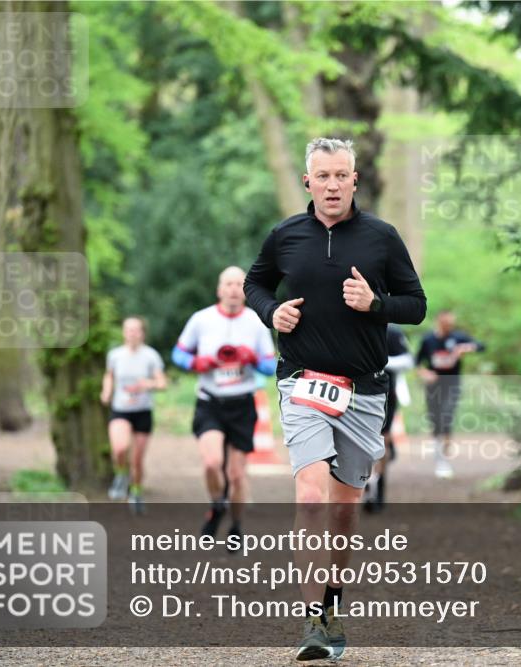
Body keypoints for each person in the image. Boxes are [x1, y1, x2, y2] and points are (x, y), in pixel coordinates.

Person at [244, 137, 426, 661]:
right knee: (310, 496)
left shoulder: (382, 238)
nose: (331, 185)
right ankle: (311, 623)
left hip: (364, 389)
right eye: (322, 176)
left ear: (354, 181)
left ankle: (332, 601)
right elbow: (257, 284)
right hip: (302, 382)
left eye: (340, 175)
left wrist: (376, 304)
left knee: (345, 509)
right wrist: (270, 312)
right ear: (308, 181)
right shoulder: (285, 236)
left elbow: (415, 305)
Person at [171, 266, 277, 546]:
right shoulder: (201, 319)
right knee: (211, 463)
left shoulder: (256, 323)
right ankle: (217, 504)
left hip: (242, 405)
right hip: (210, 403)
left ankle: (236, 525)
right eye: (227, 284)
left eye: (238, 284)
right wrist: (196, 363)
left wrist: (252, 358)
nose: (232, 289)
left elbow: (271, 365)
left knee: (237, 474)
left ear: (245, 291)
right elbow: (178, 353)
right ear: (219, 289)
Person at [101, 316, 167, 513]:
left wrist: (149, 384)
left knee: (137, 460)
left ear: (142, 333)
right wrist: (106, 391)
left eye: (136, 330)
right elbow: (109, 376)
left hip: (142, 411)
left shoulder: (151, 356)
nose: (132, 333)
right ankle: (121, 475)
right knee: (120, 448)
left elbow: (162, 383)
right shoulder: (115, 355)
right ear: (123, 332)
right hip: (120, 409)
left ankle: (136, 492)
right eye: (128, 330)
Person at [416, 309, 484, 479]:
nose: (449, 327)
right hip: (433, 386)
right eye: (446, 324)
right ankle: (438, 453)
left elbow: (481, 346)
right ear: (439, 321)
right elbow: (417, 362)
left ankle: (443, 460)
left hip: (452, 384)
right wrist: (425, 373)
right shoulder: (428, 340)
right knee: (436, 420)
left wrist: (466, 348)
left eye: (451, 324)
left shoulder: (458, 338)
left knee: (447, 418)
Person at [362, 323, 413, 513]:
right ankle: (363, 482)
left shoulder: (391, 331)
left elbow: (408, 360)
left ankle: (376, 488)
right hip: (349, 392)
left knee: (382, 438)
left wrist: (380, 361)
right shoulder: (345, 324)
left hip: (385, 393)